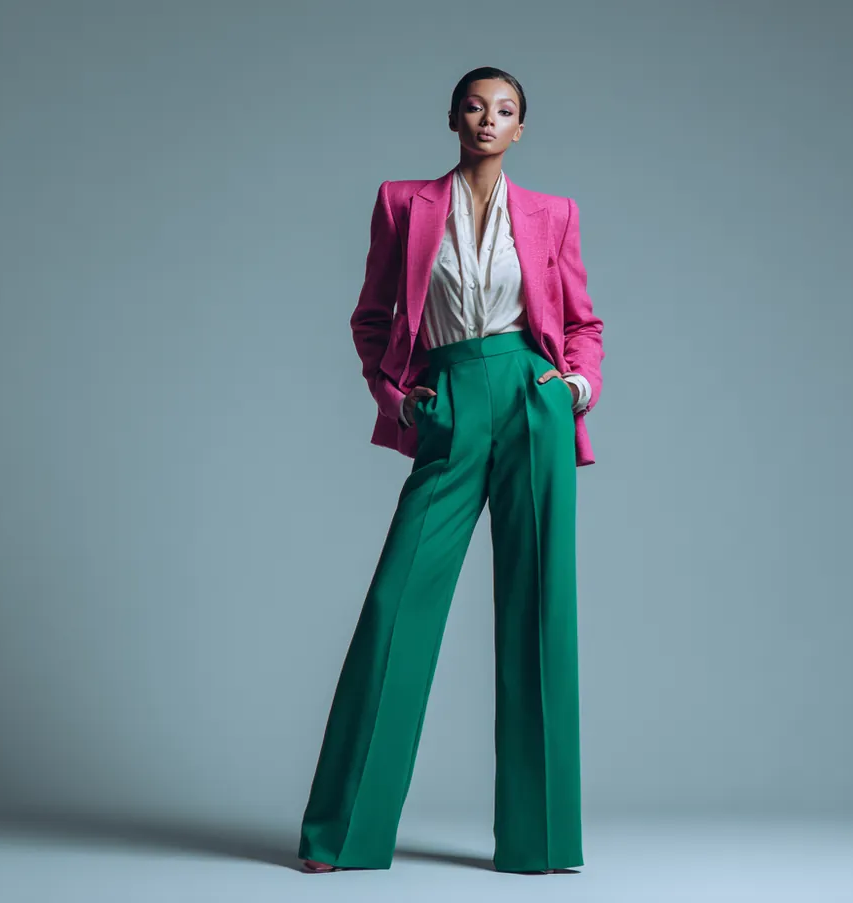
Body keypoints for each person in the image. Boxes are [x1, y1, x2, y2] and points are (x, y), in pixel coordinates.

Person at [296, 66, 605, 876]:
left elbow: (582, 322)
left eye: (504, 110)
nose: (487, 119)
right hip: (448, 397)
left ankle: (539, 842)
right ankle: (342, 834)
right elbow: (372, 317)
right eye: (475, 106)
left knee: (541, 612)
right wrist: (400, 399)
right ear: (452, 117)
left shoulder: (553, 214)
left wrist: (574, 385)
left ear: (520, 129)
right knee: (398, 604)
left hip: (532, 400)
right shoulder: (404, 203)